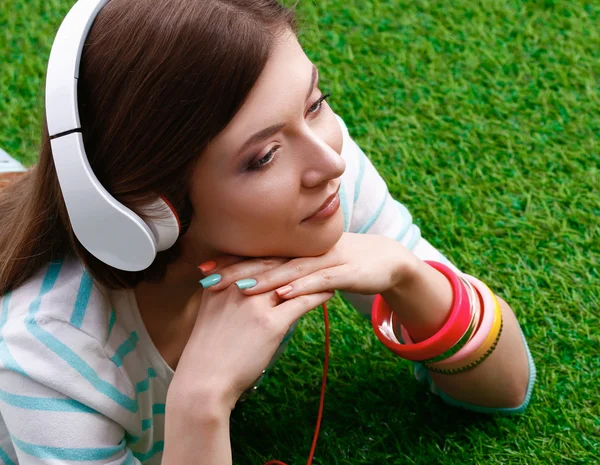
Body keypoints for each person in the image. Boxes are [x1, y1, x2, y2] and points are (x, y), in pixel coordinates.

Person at [0, 0, 536, 464]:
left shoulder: (318, 180)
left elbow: (507, 388)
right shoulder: (51, 353)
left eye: (315, 103)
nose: (330, 162)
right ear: (150, 210)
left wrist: (409, 275)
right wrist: (202, 401)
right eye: (264, 156)